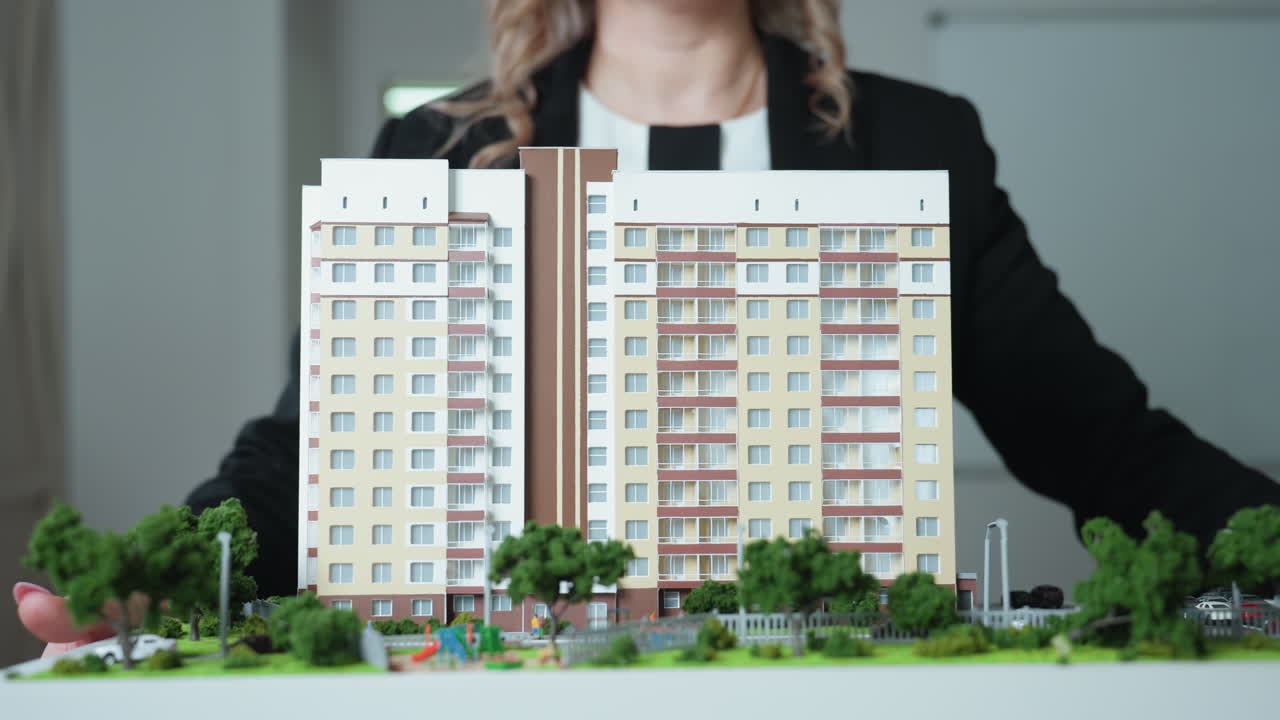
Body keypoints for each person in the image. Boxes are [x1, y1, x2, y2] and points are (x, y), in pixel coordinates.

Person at [15, 0, 1279, 655]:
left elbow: (1101, 441)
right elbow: (312, 451)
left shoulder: (909, 141)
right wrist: (167, 571)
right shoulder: (437, 149)